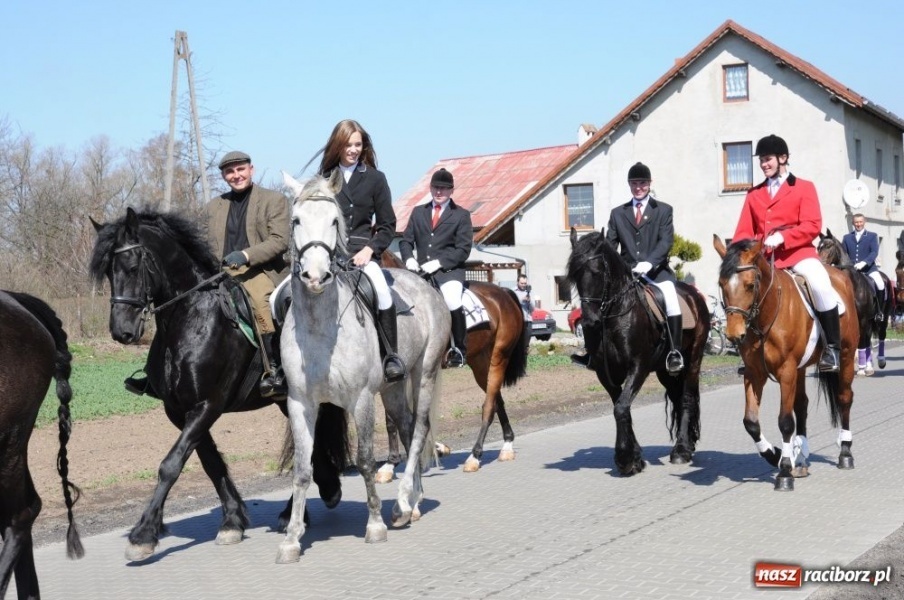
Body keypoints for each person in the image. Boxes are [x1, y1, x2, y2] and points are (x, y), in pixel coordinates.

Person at [125, 150, 290, 397]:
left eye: (240, 169)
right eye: (230, 172)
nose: (236, 175)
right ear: (224, 176)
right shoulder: (214, 206)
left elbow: (279, 241)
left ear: (251, 170)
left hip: (259, 271)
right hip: (220, 272)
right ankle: (154, 374)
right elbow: (201, 244)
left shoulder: (273, 199)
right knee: (177, 306)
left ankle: (275, 370)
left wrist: (245, 255)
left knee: (259, 301)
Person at [733, 134, 841, 372]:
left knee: (821, 284)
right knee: (741, 291)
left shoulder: (804, 187)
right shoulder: (754, 194)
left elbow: (813, 224)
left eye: (768, 159)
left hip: (798, 255)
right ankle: (750, 354)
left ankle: (832, 348)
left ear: (783, 158)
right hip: (765, 262)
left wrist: (784, 237)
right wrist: (740, 254)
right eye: (761, 160)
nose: (764, 164)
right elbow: (743, 232)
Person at [572, 162, 684, 374]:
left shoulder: (663, 210)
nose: (638, 187)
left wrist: (650, 262)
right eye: (634, 183)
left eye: (642, 183)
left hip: (656, 272)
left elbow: (665, 242)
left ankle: (674, 352)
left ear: (649, 184)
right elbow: (611, 245)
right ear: (629, 185)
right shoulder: (618, 214)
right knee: (593, 303)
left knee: (670, 298)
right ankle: (591, 353)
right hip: (627, 273)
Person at [318, 119, 405, 382]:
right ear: (338, 145)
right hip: (328, 252)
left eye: (358, 144)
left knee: (381, 290)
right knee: (289, 291)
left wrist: (370, 249)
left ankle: (390, 355)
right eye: (348, 144)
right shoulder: (323, 179)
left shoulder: (376, 179)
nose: (354, 149)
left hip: (362, 251)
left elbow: (388, 225)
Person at [399, 168, 474, 368]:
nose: (439, 192)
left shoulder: (461, 215)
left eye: (444, 188)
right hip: (421, 271)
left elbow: (463, 250)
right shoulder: (418, 212)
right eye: (436, 188)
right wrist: (409, 259)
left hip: (449, 272)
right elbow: (406, 241)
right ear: (430, 188)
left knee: (451, 300)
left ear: (451, 191)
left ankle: (459, 349)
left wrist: (440, 262)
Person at [842, 213, 886, 321]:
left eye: (860, 222)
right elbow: (844, 254)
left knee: (880, 284)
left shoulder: (872, 236)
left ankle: (879, 312)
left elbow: (874, 252)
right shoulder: (847, 237)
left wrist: (864, 262)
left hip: (869, 269)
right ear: (853, 223)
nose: (858, 224)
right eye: (856, 222)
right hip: (852, 270)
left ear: (864, 222)